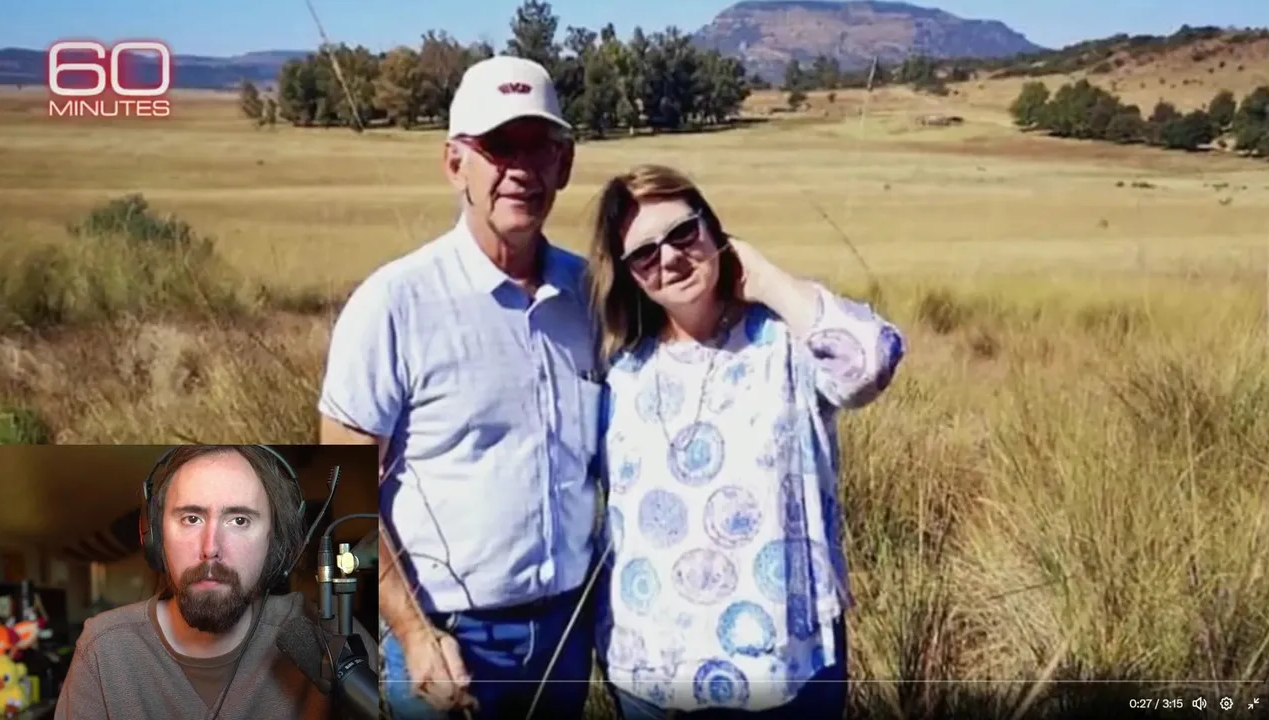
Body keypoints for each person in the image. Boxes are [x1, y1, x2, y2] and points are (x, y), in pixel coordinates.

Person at [317, 55, 600, 719]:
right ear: (455, 164)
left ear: (564, 164)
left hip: (567, 632)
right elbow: (335, 495)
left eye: (540, 146)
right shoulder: (395, 303)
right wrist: (410, 633)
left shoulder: (593, 296)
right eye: (499, 147)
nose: (521, 169)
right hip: (444, 639)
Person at [587, 164, 906, 719]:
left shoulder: (784, 343)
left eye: (683, 233)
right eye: (644, 254)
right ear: (629, 273)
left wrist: (765, 279)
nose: (669, 258)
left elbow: (872, 362)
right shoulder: (622, 373)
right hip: (649, 669)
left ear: (713, 230)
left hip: (784, 665)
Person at [54, 445, 378, 720]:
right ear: (154, 536)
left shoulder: (332, 634)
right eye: (191, 518)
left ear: (274, 543)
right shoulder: (104, 648)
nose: (211, 548)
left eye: (239, 520)